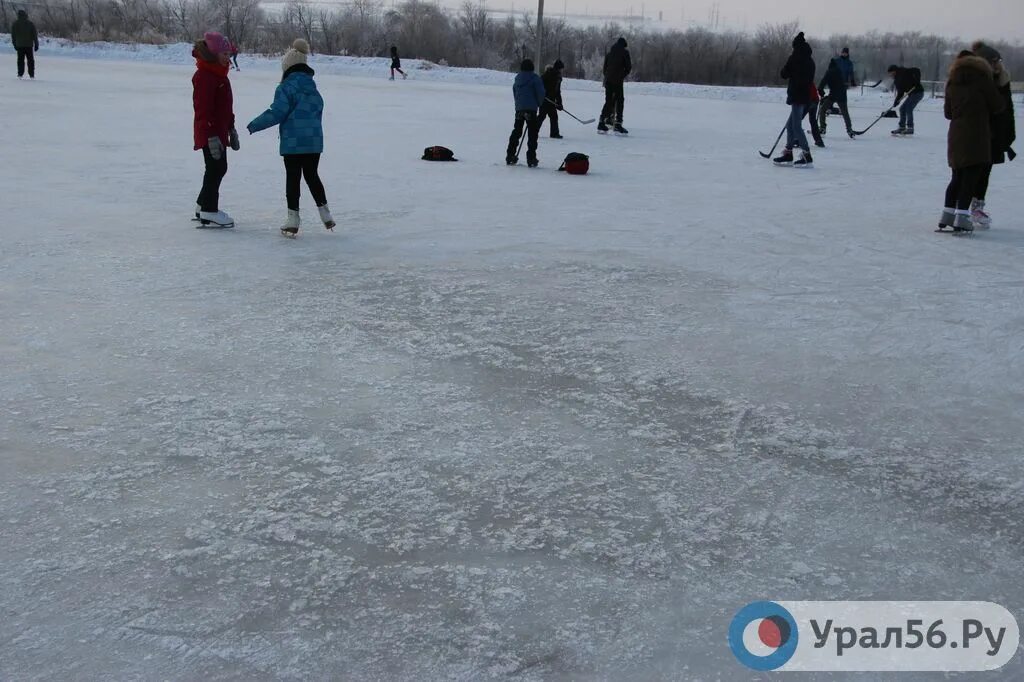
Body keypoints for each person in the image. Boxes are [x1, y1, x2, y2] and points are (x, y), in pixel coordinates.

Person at [247, 39, 335, 236]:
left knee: (293, 178)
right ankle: (326, 214)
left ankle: (293, 218)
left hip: (293, 143)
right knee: (312, 176)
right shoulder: (313, 89)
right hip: (313, 142)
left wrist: (255, 124)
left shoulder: (285, 87)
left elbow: (277, 112)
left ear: (287, 67)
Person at [938, 51, 1004, 232]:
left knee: (957, 176)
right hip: (978, 133)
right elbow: (998, 105)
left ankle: (947, 214)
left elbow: (948, 113)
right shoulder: (982, 79)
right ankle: (962, 217)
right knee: (971, 177)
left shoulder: (952, 81)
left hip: (956, 134)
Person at [192, 31, 238, 228]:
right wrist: (210, 135)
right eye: (224, 54)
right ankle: (209, 210)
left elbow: (224, 106)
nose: (228, 58)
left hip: (218, 130)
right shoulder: (205, 76)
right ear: (213, 54)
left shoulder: (219, 74)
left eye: (229, 54)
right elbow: (203, 109)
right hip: (209, 131)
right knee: (217, 167)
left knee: (215, 167)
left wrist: (231, 127)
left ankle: (202, 205)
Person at [968, 42, 1016, 228]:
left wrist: (1009, 134)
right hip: (976, 133)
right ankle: (962, 207)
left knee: (985, 170)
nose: (997, 64)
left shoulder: (1002, 80)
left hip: (996, 133)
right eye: (993, 61)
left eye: (999, 60)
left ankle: (977, 206)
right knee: (971, 171)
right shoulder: (977, 81)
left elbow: (1008, 109)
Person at [774, 32, 815, 168]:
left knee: (796, 126)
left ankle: (806, 154)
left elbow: (784, 73)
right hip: (806, 97)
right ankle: (788, 152)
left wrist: (788, 71)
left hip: (797, 96)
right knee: (790, 126)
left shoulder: (794, 57)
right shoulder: (810, 60)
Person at [505, 58, 545, 167]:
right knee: (532, 133)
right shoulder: (535, 79)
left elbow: (515, 93)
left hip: (519, 109)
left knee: (517, 131)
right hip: (531, 109)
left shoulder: (517, 79)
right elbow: (541, 93)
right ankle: (531, 158)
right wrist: (538, 104)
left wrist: (519, 105)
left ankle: (510, 154)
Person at [597, 37, 631, 134]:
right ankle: (618, 124)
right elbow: (628, 68)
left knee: (608, 102)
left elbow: (604, 68)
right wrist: (621, 76)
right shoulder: (625, 53)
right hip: (617, 81)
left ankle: (602, 122)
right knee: (620, 101)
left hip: (608, 80)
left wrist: (608, 76)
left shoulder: (609, 53)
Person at [818, 57, 855, 138]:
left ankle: (822, 128)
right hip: (842, 94)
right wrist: (852, 82)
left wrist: (821, 91)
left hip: (833, 95)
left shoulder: (829, 72)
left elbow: (822, 82)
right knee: (845, 113)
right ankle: (849, 129)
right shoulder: (839, 71)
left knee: (823, 110)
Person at [887, 64, 925, 135]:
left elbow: (917, 70)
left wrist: (917, 81)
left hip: (918, 92)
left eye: (891, 73)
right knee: (902, 109)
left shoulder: (904, 71)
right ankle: (902, 127)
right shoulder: (896, 81)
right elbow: (900, 93)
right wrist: (896, 101)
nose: (890, 75)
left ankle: (910, 128)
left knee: (908, 108)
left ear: (894, 71)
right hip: (911, 94)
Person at [538, 59, 564, 138]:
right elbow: (540, 86)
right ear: (559, 68)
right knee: (542, 116)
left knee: (553, 116)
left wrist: (559, 103)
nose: (562, 71)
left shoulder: (551, 74)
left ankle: (554, 133)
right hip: (545, 99)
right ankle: (533, 131)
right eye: (561, 69)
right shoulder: (553, 76)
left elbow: (557, 92)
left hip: (550, 100)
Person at [11, 9, 39, 79]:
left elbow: (13, 35)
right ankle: (31, 74)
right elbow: (34, 35)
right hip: (29, 45)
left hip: (19, 45)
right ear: (25, 15)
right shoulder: (30, 24)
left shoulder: (15, 24)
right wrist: (36, 44)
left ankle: (20, 74)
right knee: (30, 60)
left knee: (20, 60)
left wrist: (14, 44)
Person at [806, 83, 825, 148]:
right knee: (813, 121)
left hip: (808, 100)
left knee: (796, 120)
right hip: (815, 100)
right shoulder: (809, 78)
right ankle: (818, 140)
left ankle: (797, 139)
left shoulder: (801, 78)